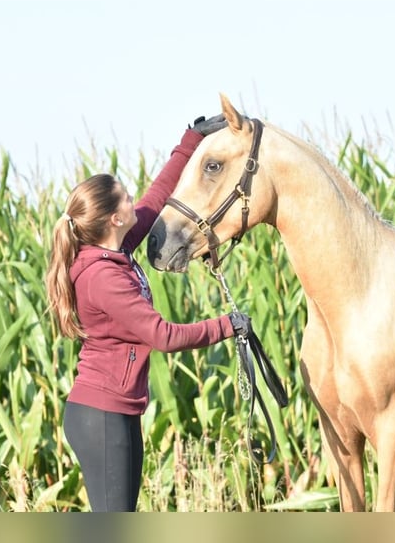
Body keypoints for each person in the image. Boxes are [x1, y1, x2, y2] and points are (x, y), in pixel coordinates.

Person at [45, 115, 250, 512]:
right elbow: (163, 336)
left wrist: (191, 140)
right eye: (124, 198)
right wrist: (228, 324)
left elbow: (158, 196)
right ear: (114, 219)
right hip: (101, 416)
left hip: (115, 411)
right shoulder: (103, 276)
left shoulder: (116, 250)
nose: (132, 199)